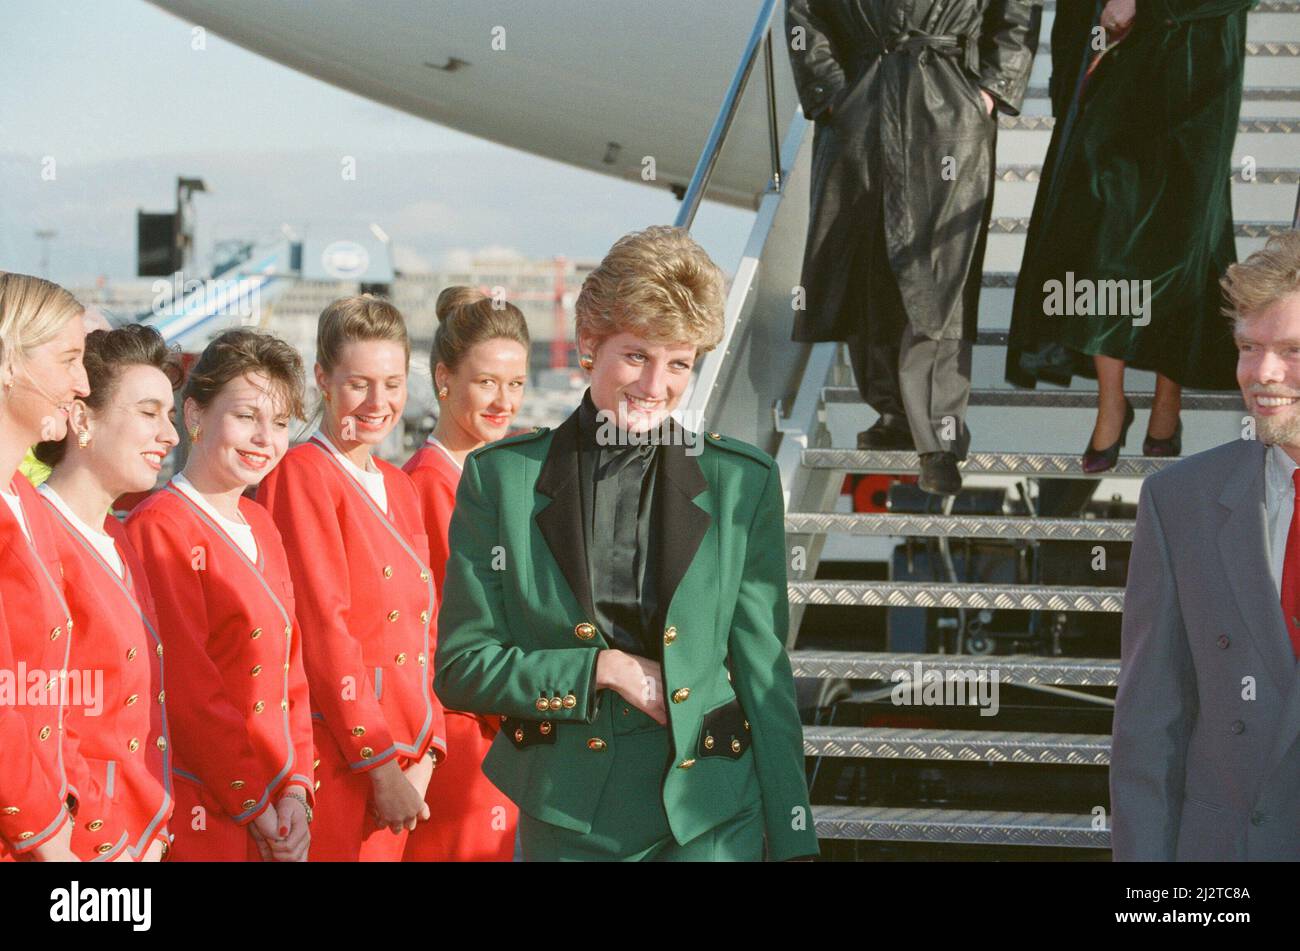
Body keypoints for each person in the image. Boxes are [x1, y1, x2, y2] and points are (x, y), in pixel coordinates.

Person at [435, 226, 819, 861]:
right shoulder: (502, 479)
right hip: (569, 818)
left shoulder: (739, 482)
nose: (655, 386)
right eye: (637, 355)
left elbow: (764, 673)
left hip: (712, 817)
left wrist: (795, 835)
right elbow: (461, 667)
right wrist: (600, 671)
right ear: (589, 344)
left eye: (679, 364)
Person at [786, 0, 1038, 495]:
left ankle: (940, 437)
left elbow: (1018, 11)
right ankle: (892, 411)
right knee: (867, 261)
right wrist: (831, 92)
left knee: (943, 272)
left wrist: (989, 88)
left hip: (947, 102)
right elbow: (804, 12)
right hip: (863, 97)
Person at [1112, 231, 1300, 860]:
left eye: (1291, 350)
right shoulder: (1181, 501)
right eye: (1250, 348)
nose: (1262, 373)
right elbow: (1148, 730)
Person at [1005, 0, 1253, 472]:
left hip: (1197, 63)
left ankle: (1167, 397)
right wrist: (1067, 80)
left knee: (1182, 237)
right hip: (1115, 53)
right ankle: (1111, 401)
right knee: (1102, 229)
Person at [258, 296, 445, 861]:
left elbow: (425, 630)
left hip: (406, 761)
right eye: (359, 383)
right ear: (322, 378)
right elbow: (324, 633)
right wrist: (382, 767)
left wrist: (429, 755)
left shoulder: (400, 483)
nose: (378, 402)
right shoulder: (301, 473)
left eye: (392, 383)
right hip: (342, 763)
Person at [125, 329, 313, 862]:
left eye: (279, 424)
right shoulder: (160, 526)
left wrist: (299, 790)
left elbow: (291, 673)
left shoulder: (260, 521)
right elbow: (188, 692)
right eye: (246, 417)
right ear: (195, 417)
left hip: (276, 803)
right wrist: (257, 804)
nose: (264, 439)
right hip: (202, 805)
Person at [33, 324, 181, 861]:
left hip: (137, 836)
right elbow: (36, 715)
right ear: (81, 419)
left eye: (168, 415)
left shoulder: (119, 534)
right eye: (148, 413)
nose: (171, 436)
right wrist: (103, 841)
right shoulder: (33, 534)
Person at [402, 286, 526, 862]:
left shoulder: (481, 478)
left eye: (516, 384)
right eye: (487, 383)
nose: (504, 402)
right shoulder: (429, 483)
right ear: (443, 379)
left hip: (501, 724)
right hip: (462, 733)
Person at [0, 272, 91, 861]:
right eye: (69, 360)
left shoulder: (24, 499)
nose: (83, 383)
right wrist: (44, 834)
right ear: (8, 361)